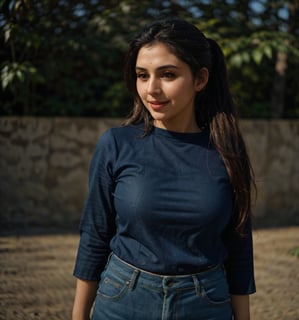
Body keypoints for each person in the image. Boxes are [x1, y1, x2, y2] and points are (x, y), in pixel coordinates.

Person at [72, 17, 256, 320]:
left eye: (168, 74)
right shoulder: (117, 144)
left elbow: (238, 246)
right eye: (142, 76)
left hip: (205, 304)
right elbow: (95, 234)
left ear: (200, 79)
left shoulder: (227, 151)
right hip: (122, 301)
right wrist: (79, 316)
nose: (151, 89)